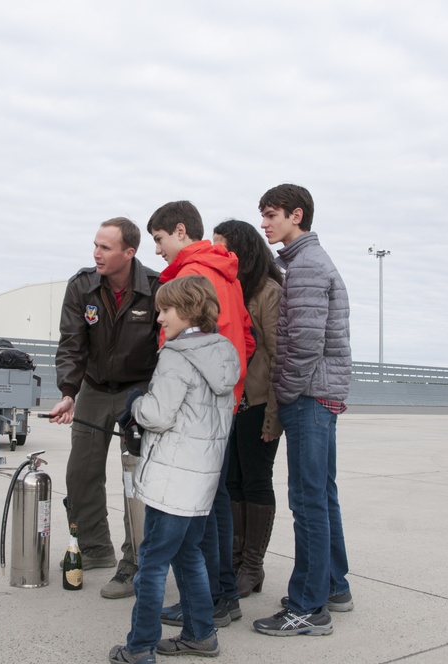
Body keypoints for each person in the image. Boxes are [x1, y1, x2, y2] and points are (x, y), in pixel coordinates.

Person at [109, 275, 239, 664]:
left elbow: (158, 415)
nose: (159, 318)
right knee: (189, 555)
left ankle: (140, 646)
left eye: (165, 310)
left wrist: (135, 404)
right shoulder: (223, 352)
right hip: (200, 482)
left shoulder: (176, 355)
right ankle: (200, 634)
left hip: (172, 480)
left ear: (188, 309)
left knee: (150, 563)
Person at [147, 200, 255, 627]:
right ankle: (221, 595)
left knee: (199, 509)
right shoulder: (226, 273)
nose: (156, 250)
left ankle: (210, 600)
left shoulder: (192, 275)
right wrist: (228, 389)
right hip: (220, 405)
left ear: (179, 230)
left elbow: (179, 349)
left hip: (192, 411)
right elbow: (244, 337)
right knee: (216, 500)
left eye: (158, 240)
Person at [252, 183, 353, 637]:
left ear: (297, 216)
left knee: (308, 501)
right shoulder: (304, 263)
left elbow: (306, 344)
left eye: (271, 214)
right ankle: (333, 585)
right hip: (318, 395)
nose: (264, 223)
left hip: (309, 396)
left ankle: (309, 606)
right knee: (322, 496)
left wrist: (286, 392)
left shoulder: (308, 266)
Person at [49, 217, 161, 599]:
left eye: (106, 247)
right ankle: (96, 549)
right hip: (94, 388)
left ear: (129, 253)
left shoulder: (157, 288)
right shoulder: (82, 286)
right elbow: (71, 342)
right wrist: (68, 391)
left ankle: (136, 560)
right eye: (95, 245)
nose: (96, 253)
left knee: (136, 479)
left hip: (139, 389)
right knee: (81, 473)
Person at [212, 219, 284, 598]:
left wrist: (273, 415)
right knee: (231, 481)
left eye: (222, 246)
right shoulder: (231, 289)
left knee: (256, 480)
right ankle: (237, 560)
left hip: (258, 404)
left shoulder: (268, 291)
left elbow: (277, 357)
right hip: (233, 405)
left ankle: (252, 566)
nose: (216, 252)